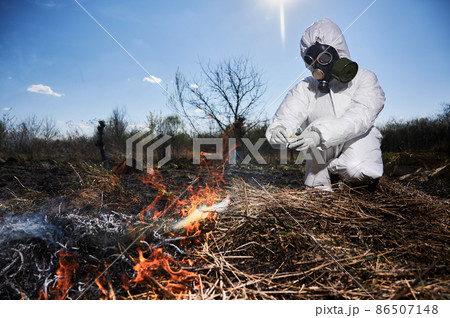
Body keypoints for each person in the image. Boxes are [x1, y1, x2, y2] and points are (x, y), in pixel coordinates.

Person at [266, 18, 385, 190]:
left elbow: (360, 116)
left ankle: (340, 175)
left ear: (339, 52)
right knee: (317, 192)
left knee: (357, 170)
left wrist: (319, 134)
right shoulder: (306, 87)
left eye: (324, 57)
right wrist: (279, 129)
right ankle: (327, 178)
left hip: (358, 138)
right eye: (311, 60)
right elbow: (289, 113)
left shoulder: (365, 78)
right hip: (319, 148)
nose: (317, 65)